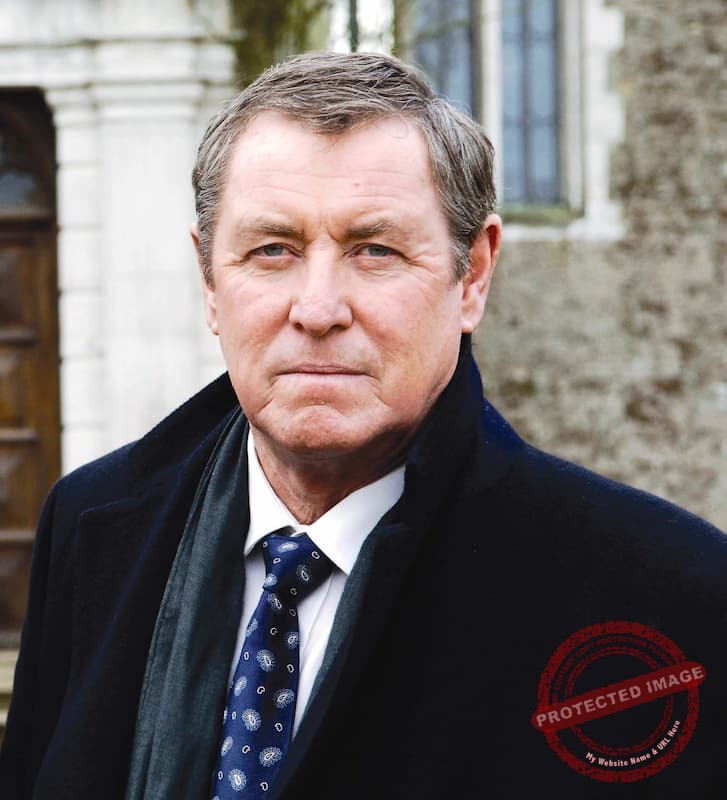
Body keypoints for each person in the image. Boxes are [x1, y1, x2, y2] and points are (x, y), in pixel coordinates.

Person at [1, 51, 726, 800]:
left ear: (473, 275)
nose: (318, 309)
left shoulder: (666, 596)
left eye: (374, 250)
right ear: (210, 282)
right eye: (272, 250)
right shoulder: (92, 528)